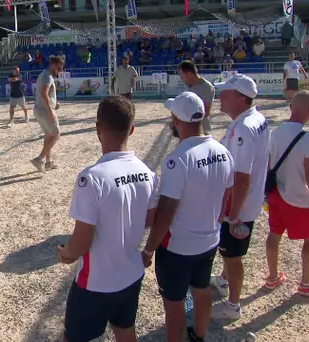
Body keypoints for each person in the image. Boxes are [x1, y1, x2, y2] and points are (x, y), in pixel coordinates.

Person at [57, 96, 157, 342]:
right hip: (131, 274)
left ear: (97, 129)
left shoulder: (91, 178)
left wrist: (66, 254)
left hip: (96, 282)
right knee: (125, 330)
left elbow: (82, 241)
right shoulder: (148, 173)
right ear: (131, 129)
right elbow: (149, 219)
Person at [142, 92, 234, 342]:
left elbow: (166, 212)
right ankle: (199, 336)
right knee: (201, 290)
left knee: (174, 306)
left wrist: (149, 250)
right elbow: (226, 196)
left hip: (178, 247)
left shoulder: (178, 160)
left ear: (175, 119)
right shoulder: (223, 152)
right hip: (209, 240)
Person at [210, 74, 270, 320]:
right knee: (229, 253)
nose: (220, 98)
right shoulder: (255, 119)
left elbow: (242, 177)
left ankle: (233, 305)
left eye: (225, 93)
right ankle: (223, 281)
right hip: (246, 201)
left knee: (232, 255)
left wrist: (232, 214)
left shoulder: (244, 128)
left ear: (240, 98)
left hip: (238, 206)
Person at [265, 90, 309, 299]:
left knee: (274, 234)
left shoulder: (274, 134)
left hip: (276, 194)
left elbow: (268, 166)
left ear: (291, 107)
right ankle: (307, 283)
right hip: (298, 198)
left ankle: (273, 277)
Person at [31, 55, 65, 172]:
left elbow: (46, 95)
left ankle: (48, 162)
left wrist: (54, 103)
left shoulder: (44, 75)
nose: (59, 72)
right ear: (53, 65)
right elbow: (44, 93)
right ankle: (40, 159)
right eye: (59, 69)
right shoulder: (48, 77)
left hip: (39, 109)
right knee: (56, 134)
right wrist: (51, 111)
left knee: (49, 135)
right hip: (45, 110)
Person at [178, 61, 215, 135]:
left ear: (190, 74)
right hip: (189, 129)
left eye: (182, 75)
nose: (181, 78)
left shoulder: (207, 87)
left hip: (201, 131)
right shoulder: (190, 85)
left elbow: (206, 112)